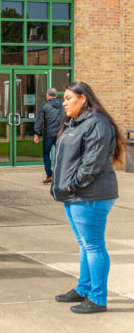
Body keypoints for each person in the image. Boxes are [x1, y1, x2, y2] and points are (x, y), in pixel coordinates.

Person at [51, 81, 125, 314]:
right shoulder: (75, 123)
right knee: (85, 245)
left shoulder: (97, 124)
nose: (63, 102)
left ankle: (98, 298)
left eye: (68, 98)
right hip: (75, 195)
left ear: (83, 98)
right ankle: (84, 289)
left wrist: (73, 186)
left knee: (93, 246)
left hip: (90, 194)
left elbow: (92, 163)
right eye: (62, 99)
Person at [33, 87, 64, 184]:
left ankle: (49, 175)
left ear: (47, 95)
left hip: (48, 134)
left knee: (46, 154)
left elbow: (39, 121)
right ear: (56, 95)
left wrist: (36, 134)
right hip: (60, 134)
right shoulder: (62, 105)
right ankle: (59, 176)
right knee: (60, 155)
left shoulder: (44, 106)